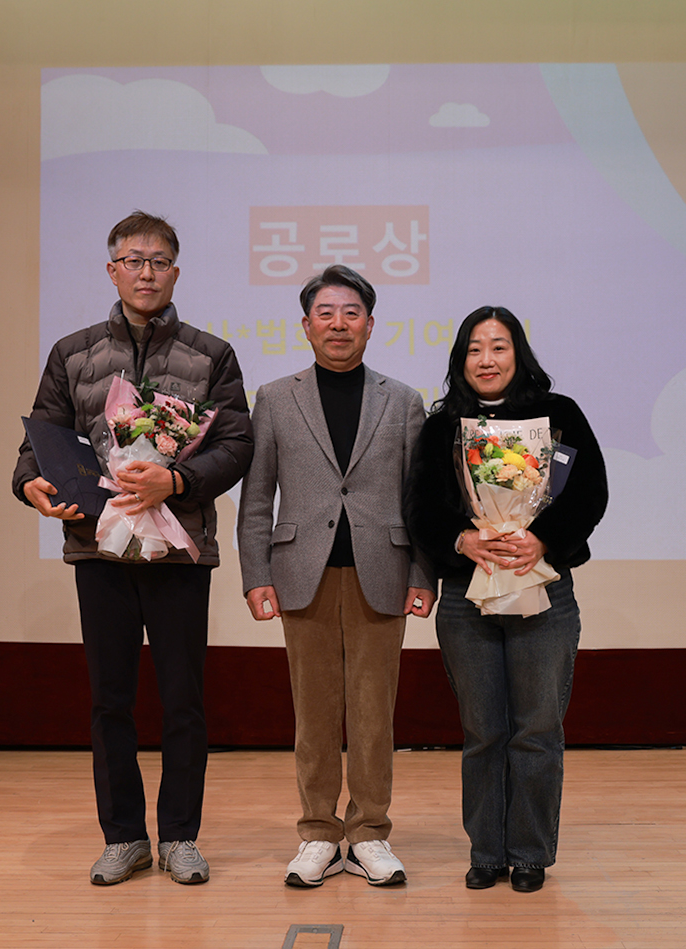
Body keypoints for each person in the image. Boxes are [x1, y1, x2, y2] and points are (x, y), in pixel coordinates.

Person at [12, 211, 253, 886]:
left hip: (180, 552)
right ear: (112, 270)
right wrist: (29, 483)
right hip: (100, 550)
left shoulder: (211, 354)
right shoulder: (73, 352)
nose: (146, 272)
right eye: (133, 261)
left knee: (183, 700)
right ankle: (123, 837)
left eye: (158, 261)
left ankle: (179, 835)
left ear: (175, 272)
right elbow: (41, 441)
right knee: (110, 700)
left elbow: (237, 444)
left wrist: (175, 480)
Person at [237, 264, 434, 888]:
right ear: (306, 325)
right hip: (302, 574)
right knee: (314, 714)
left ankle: (370, 832)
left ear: (370, 325)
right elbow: (256, 498)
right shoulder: (275, 397)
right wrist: (255, 574)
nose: (339, 324)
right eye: (326, 313)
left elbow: (420, 500)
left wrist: (424, 573)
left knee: (374, 714)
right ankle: (318, 834)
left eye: (352, 313)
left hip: (384, 572)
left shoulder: (403, 400)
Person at [407, 306, 607, 893]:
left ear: (518, 353)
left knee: (537, 728)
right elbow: (420, 506)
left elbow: (590, 493)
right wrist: (462, 539)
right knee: (483, 731)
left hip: (543, 587)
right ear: (460, 359)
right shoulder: (442, 426)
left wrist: (542, 539)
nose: (486, 360)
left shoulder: (559, 415)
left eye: (498, 347)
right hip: (467, 596)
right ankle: (487, 852)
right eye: (474, 349)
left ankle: (529, 853)